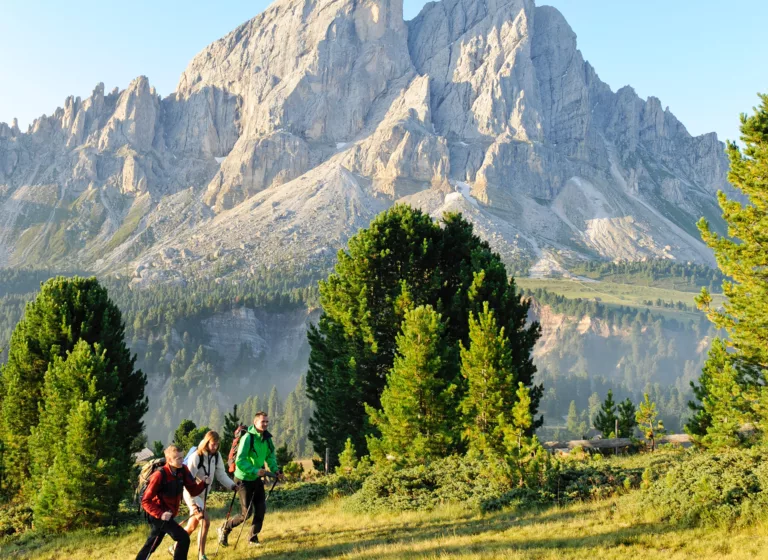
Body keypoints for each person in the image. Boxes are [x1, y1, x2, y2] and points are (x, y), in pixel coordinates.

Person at [217, 411, 283, 548]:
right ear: (255, 422)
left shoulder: (267, 438)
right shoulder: (248, 438)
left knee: (261, 509)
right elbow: (240, 461)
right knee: (246, 513)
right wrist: (255, 470)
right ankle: (225, 528)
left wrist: (275, 470)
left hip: (256, 478)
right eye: (262, 421)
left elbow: (270, 456)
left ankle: (252, 539)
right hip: (243, 479)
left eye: (267, 422)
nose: (265, 424)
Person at [169, 431, 237, 560]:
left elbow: (221, 475)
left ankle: (174, 547)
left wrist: (232, 485)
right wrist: (193, 504)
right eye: (212, 444)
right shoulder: (197, 456)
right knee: (205, 522)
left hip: (203, 495)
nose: (215, 447)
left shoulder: (216, 457)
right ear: (207, 442)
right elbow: (187, 481)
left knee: (192, 526)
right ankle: (202, 555)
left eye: (217, 444)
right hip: (191, 494)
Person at [135, 445, 210, 560]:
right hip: (158, 515)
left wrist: (204, 483)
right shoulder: (159, 475)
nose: (182, 460)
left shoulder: (183, 470)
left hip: (167, 515)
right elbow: (145, 500)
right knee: (183, 538)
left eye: (182, 457)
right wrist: (161, 514)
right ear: (169, 460)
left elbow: (193, 490)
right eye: (178, 458)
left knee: (152, 544)